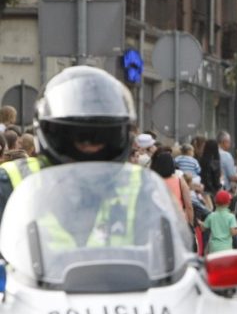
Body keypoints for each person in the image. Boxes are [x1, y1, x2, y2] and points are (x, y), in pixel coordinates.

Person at [0, 66, 136, 221]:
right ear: (53, 133)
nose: (90, 145)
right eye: (80, 136)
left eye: (102, 136)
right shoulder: (10, 182)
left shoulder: (140, 190)